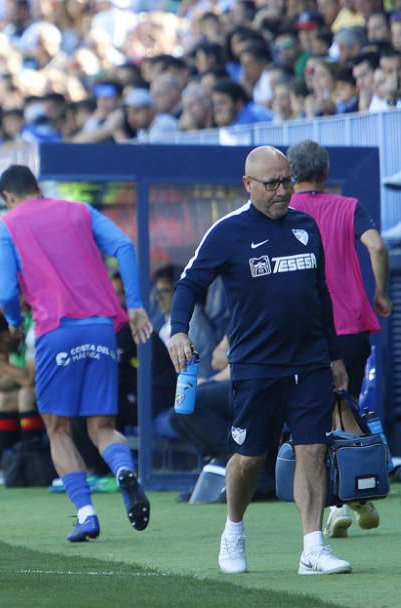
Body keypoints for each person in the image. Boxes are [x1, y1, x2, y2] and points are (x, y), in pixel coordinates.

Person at [168, 146, 352, 575]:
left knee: (312, 448)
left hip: (308, 363)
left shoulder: (306, 225)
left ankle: (312, 548)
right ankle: (233, 529)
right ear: (247, 185)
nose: (283, 191)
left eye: (287, 180)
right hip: (254, 367)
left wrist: (334, 355)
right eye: (272, 184)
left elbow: (320, 295)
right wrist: (179, 329)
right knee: (249, 459)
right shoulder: (228, 231)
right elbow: (189, 284)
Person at [0, 165, 153, 543]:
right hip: (101, 328)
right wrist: (135, 304)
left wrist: (15, 320)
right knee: (102, 427)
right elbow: (124, 247)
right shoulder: (79, 210)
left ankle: (86, 514)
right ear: (37, 188)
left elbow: (6, 290)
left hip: (55, 330)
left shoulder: (7, 223)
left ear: (8, 197)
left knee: (58, 429)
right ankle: (124, 470)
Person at [287, 139, 390, 538]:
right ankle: (353, 495)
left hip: (303, 328)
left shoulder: (287, 211)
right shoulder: (348, 207)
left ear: (291, 175)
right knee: (342, 407)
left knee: (320, 418)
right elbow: (376, 246)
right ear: (325, 174)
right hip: (349, 325)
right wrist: (380, 292)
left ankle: (342, 502)